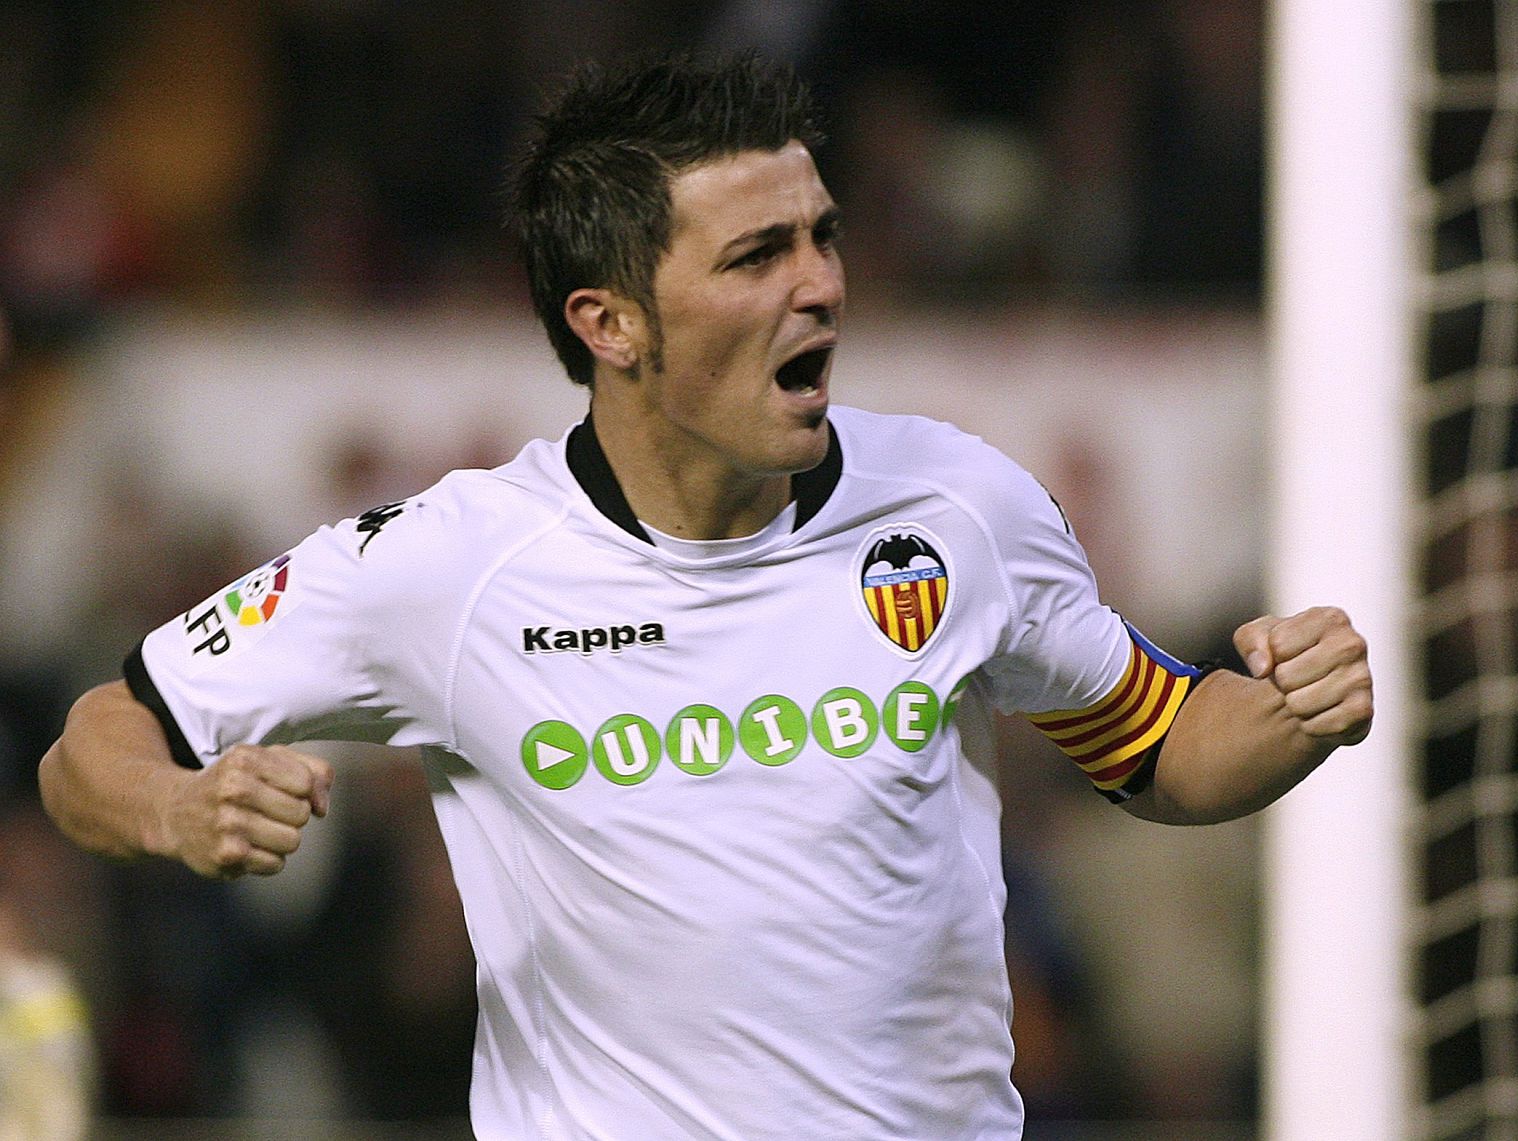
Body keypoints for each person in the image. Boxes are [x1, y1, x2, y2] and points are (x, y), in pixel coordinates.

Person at [39, 53, 1373, 1139]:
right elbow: (100, 736)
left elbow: (1160, 746)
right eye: (757, 256)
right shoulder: (448, 564)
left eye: (823, 237)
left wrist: (1289, 711)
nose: (821, 285)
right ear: (611, 322)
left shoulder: (959, 508)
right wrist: (176, 801)